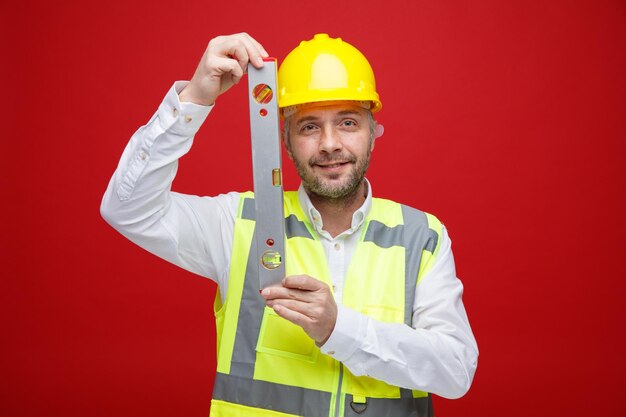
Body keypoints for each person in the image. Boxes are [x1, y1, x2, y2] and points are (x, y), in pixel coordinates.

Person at [101, 32, 478, 417]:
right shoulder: (239, 225)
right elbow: (127, 207)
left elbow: (456, 370)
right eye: (309, 127)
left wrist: (338, 329)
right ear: (285, 139)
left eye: (347, 122)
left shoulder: (421, 237)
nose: (330, 144)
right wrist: (195, 99)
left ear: (373, 133)